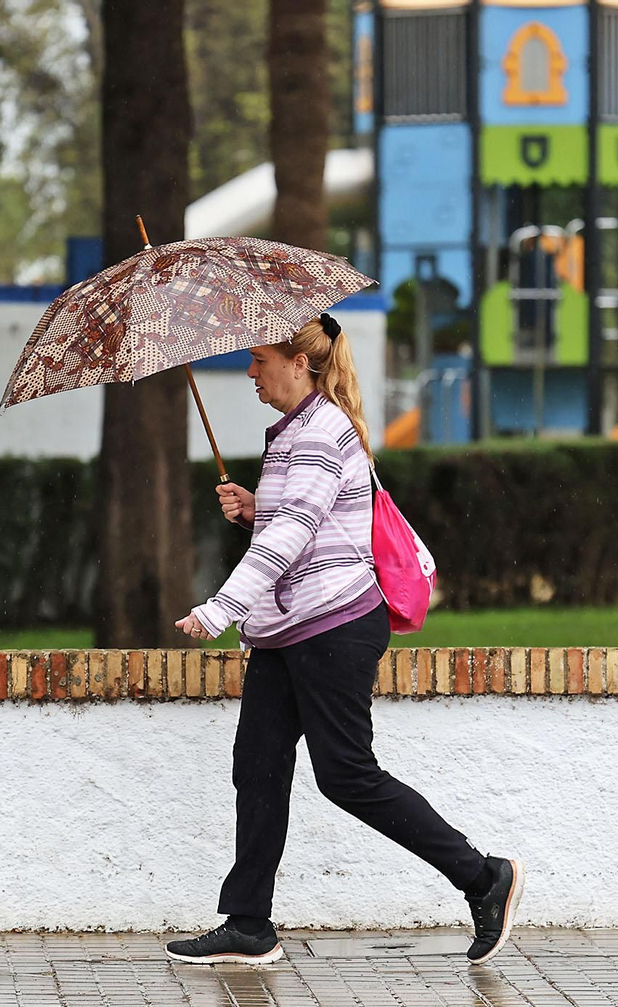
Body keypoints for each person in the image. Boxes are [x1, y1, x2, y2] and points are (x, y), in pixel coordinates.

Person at [167, 312, 522, 968]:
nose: (250, 371)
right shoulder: (296, 432)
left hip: (333, 626)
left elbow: (291, 534)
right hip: (286, 630)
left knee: (346, 774)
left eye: (260, 360)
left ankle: (484, 877)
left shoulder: (321, 430)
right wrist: (254, 506)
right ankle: (248, 923)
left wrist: (221, 608)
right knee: (259, 764)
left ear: (299, 362)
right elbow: (298, 524)